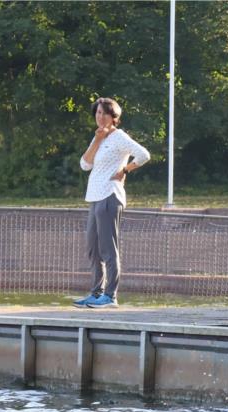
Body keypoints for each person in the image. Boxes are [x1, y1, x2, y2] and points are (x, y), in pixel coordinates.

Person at [74, 97, 151, 308]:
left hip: (110, 196)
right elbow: (84, 165)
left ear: (113, 117)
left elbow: (144, 155)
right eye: (97, 113)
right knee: (93, 249)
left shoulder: (119, 137)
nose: (100, 117)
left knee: (109, 248)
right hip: (95, 197)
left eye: (104, 114)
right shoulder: (98, 137)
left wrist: (125, 170)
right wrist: (97, 140)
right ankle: (96, 293)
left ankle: (110, 296)